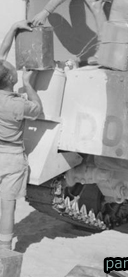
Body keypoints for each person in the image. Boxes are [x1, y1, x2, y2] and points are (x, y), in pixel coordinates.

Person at [0, 21, 42, 250]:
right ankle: (4, 249)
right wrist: (29, 84)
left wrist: (14, 27)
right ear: (10, 80)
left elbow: (2, 52)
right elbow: (37, 108)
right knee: (7, 205)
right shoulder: (17, 104)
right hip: (10, 156)